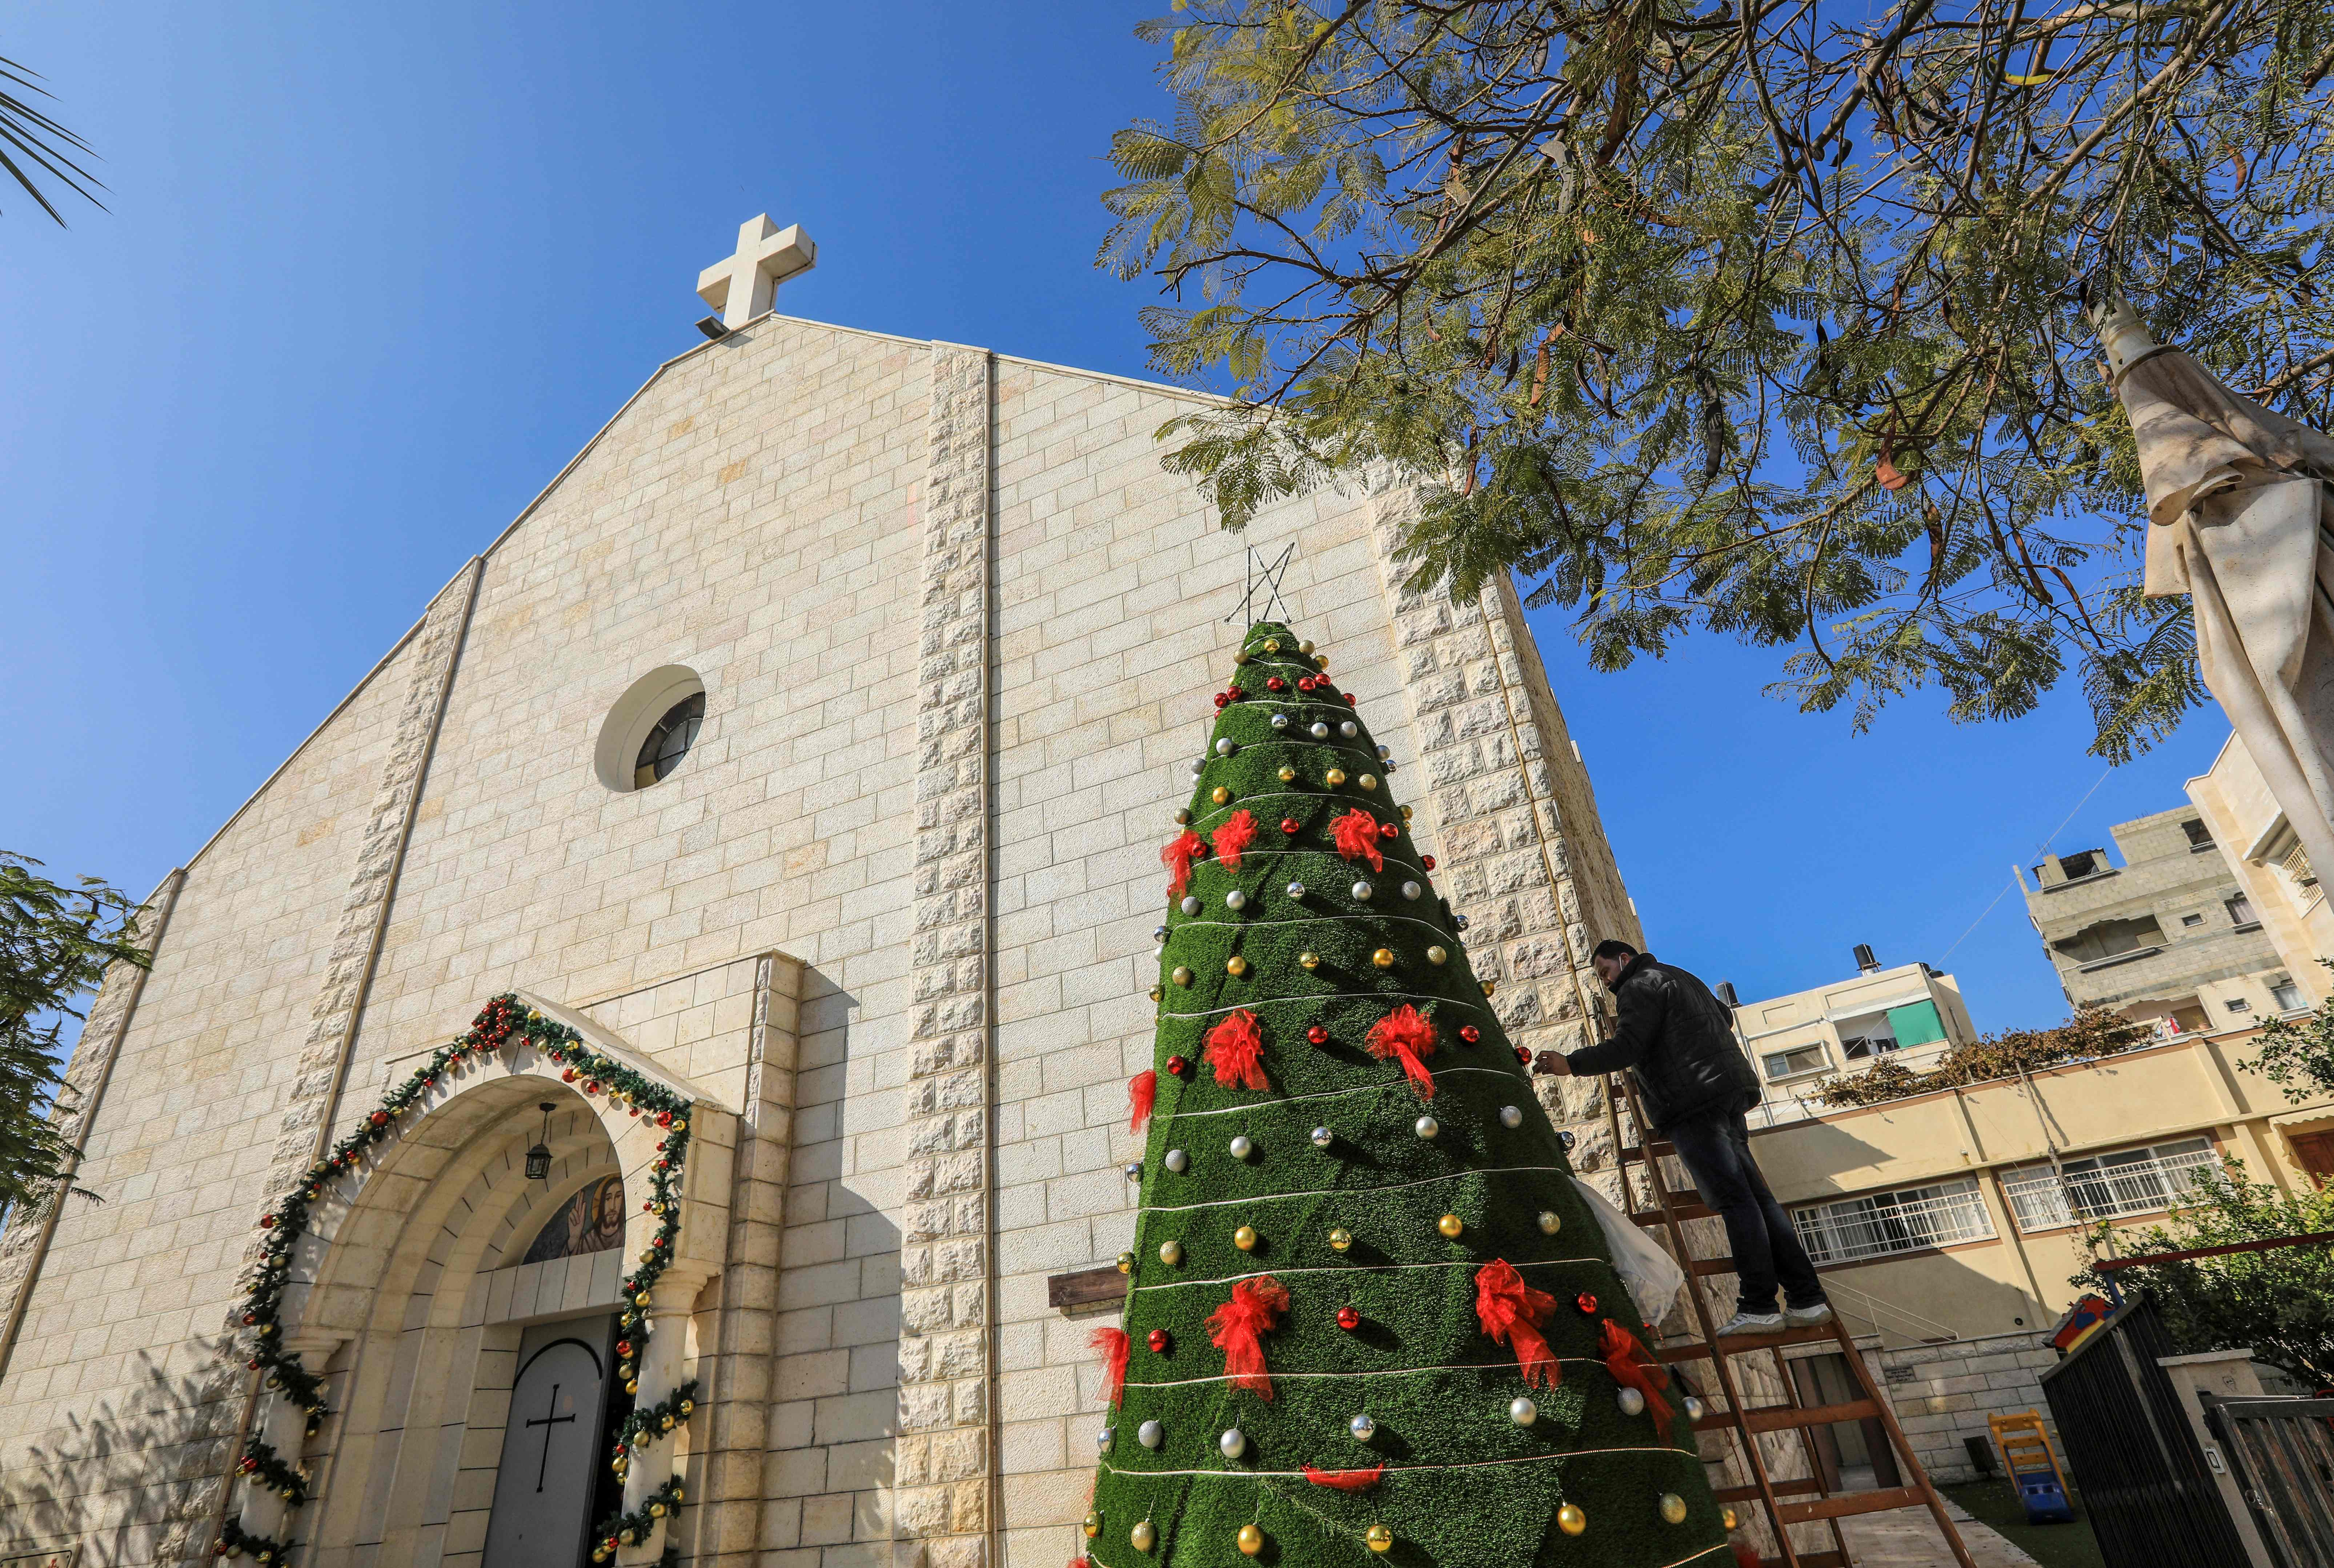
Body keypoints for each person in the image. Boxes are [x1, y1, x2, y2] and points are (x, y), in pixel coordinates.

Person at [1536, 939, 1831, 1336]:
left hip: (1692, 1101)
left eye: (1605, 972)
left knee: (1736, 1202)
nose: (1607, 983)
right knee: (1759, 1199)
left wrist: (1570, 1063)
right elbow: (1723, 1016)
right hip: (1728, 1093)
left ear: (1624, 960)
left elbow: (1627, 1047)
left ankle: (1759, 1304)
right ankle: (1807, 1297)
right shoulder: (1682, 976)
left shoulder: (1638, 986)